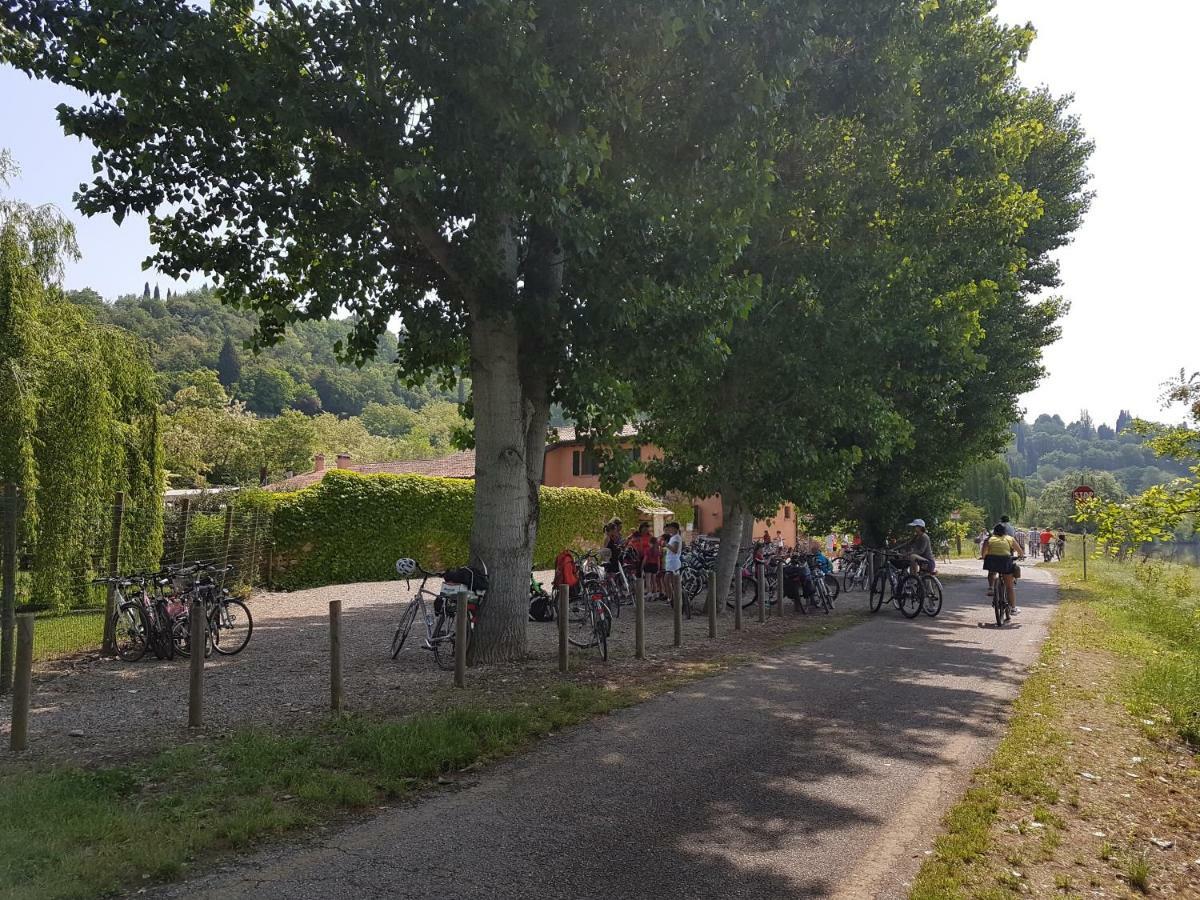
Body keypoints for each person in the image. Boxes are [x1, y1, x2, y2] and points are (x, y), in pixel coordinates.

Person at [982, 523, 1024, 618]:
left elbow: (984, 554)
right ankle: (1013, 608)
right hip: (1005, 562)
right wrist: (1021, 555)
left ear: (994, 532)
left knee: (992, 571)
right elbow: (1020, 551)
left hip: (992, 563)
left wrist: (985, 556)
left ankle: (992, 587)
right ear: (1005, 532)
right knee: (1009, 586)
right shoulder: (1009, 538)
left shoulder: (989, 539)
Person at [662, 521, 683, 597]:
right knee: (668, 581)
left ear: (675, 529)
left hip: (673, 563)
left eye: (671, 528)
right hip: (670, 562)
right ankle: (671, 598)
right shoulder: (673, 537)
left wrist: (666, 545)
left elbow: (675, 550)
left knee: (670, 581)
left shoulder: (677, 537)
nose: (669, 529)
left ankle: (673, 598)